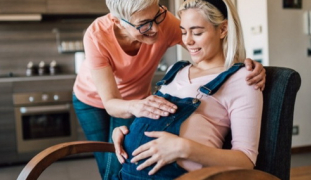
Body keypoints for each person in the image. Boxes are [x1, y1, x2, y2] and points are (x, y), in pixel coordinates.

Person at [73, 0, 265, 179]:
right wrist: (128, 132)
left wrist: (244, 64)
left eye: (157, 16)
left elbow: (212, 52)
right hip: (93, 98)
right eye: (145, 23)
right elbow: (111, 103)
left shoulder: (241, 81)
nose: (156, 28)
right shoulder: (97, 36)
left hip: (139, 102)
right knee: (107, 163)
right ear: (118, 21)